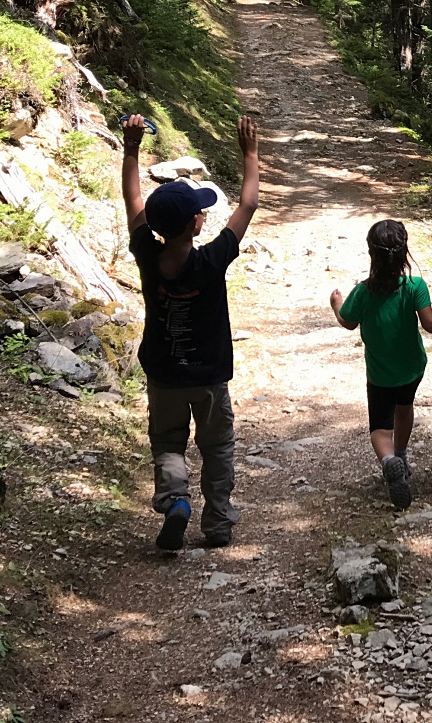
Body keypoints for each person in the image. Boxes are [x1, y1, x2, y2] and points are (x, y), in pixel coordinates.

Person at [121, 113, 260, 551]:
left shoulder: (146, 252)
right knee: (217, 447)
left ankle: (176, 500)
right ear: (194, 224)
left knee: (167, 442)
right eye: (199, 210)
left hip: (165, 376)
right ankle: (217, 522)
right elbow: (249, 205)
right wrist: (251, 153)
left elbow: (132, 198)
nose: (203, 213)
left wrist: (131, 149)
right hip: (209, 378)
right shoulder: (210, 260)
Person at [329, 220, 432, 509]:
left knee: (379, 427)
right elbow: (431, 324)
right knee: (405, 407)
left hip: (380, 375)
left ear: (371, 254)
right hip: (412, 369)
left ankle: (389, 461)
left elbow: (347, 322)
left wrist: (336, 303)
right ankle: (400, 454)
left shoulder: (362, 292)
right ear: (404, 253)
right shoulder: (414, 286)